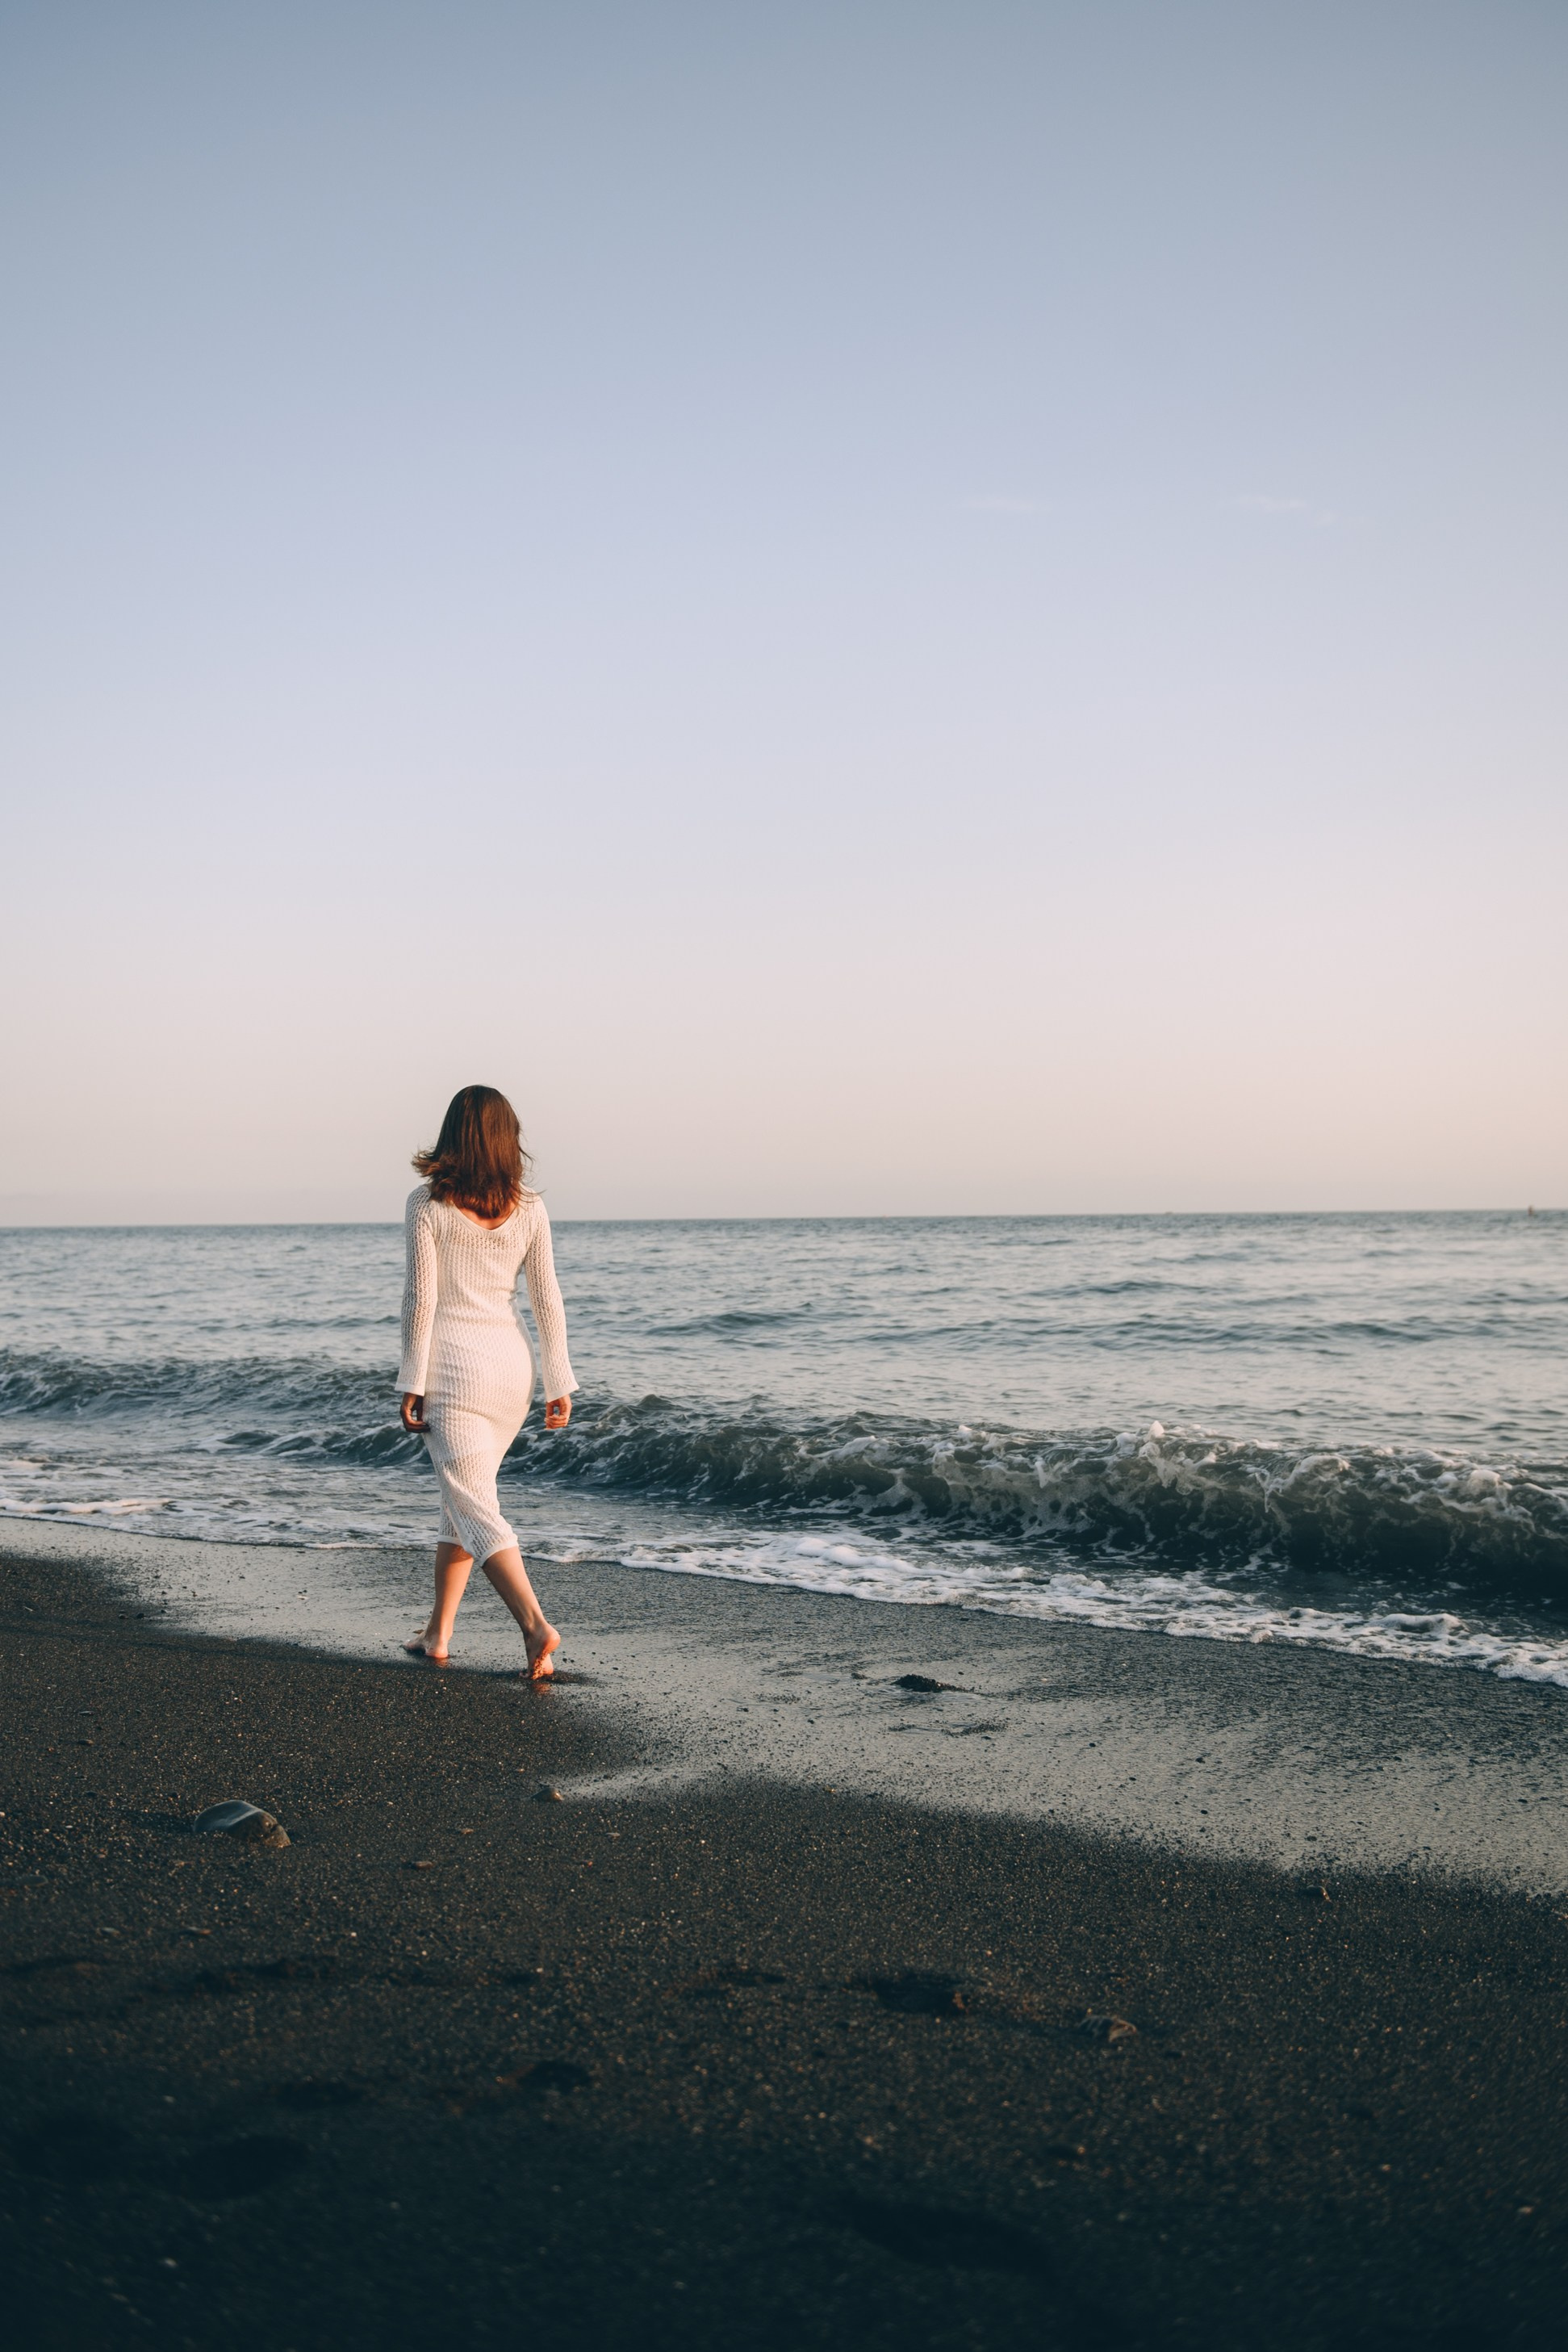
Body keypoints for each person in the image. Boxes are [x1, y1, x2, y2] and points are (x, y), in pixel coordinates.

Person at [397, 1084, 577, 1677]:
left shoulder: (428, 1204)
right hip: (510, 1371)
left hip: (454, 1370)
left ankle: (534, 1626)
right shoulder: (530, 1207)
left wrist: (410, 1380)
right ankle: (437, 1633)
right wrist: (558, 1381)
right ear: (508, 1138)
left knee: (473, 1500)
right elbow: (547, 1299)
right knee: (464, 1498)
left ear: (453, 1134)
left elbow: (421, 1301)